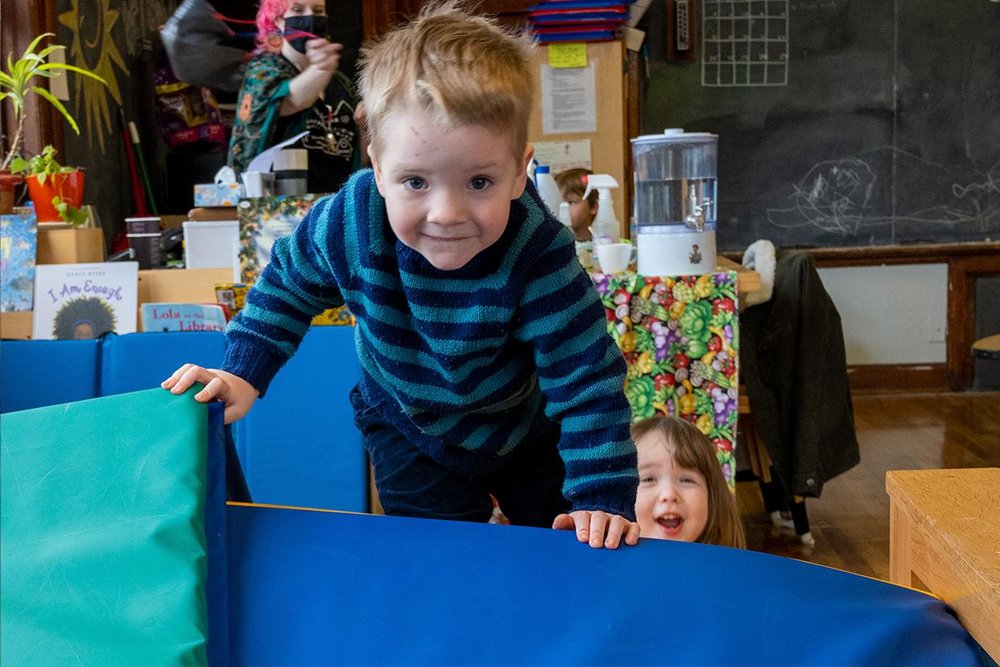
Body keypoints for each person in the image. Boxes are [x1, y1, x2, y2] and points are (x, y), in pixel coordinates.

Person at [163, 2, 640, 550]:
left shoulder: (539, 250)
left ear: (519, 172)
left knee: (563, 548)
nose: (446, 213)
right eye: (415, 182)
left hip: (523, 430)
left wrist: (601, 495)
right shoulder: (351, 220)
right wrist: (243, 372)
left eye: (479, 182)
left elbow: (584, 377)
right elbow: (286, 289)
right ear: (377, 168)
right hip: (407, 422)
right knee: (433, 556)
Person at [227, 0, 361, 194]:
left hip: (335, 204)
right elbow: (293, 101)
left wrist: (366, 124)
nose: (310, 18)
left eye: (317, 11)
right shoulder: (262, 71)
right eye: (298, 10)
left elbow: (358, 152)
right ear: (278, 21)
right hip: (279, 208)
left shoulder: (341, 84)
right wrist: (320, 69)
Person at [631, 415, 746, 548]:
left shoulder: (727, 565)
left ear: (712, 496)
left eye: (686, 480)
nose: (669, 494)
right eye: (648, 479)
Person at [554, 167, 598, 242]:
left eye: (571, 202)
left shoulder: (602, 244)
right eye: (558, 201)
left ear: (593, 206)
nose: (563, 207)